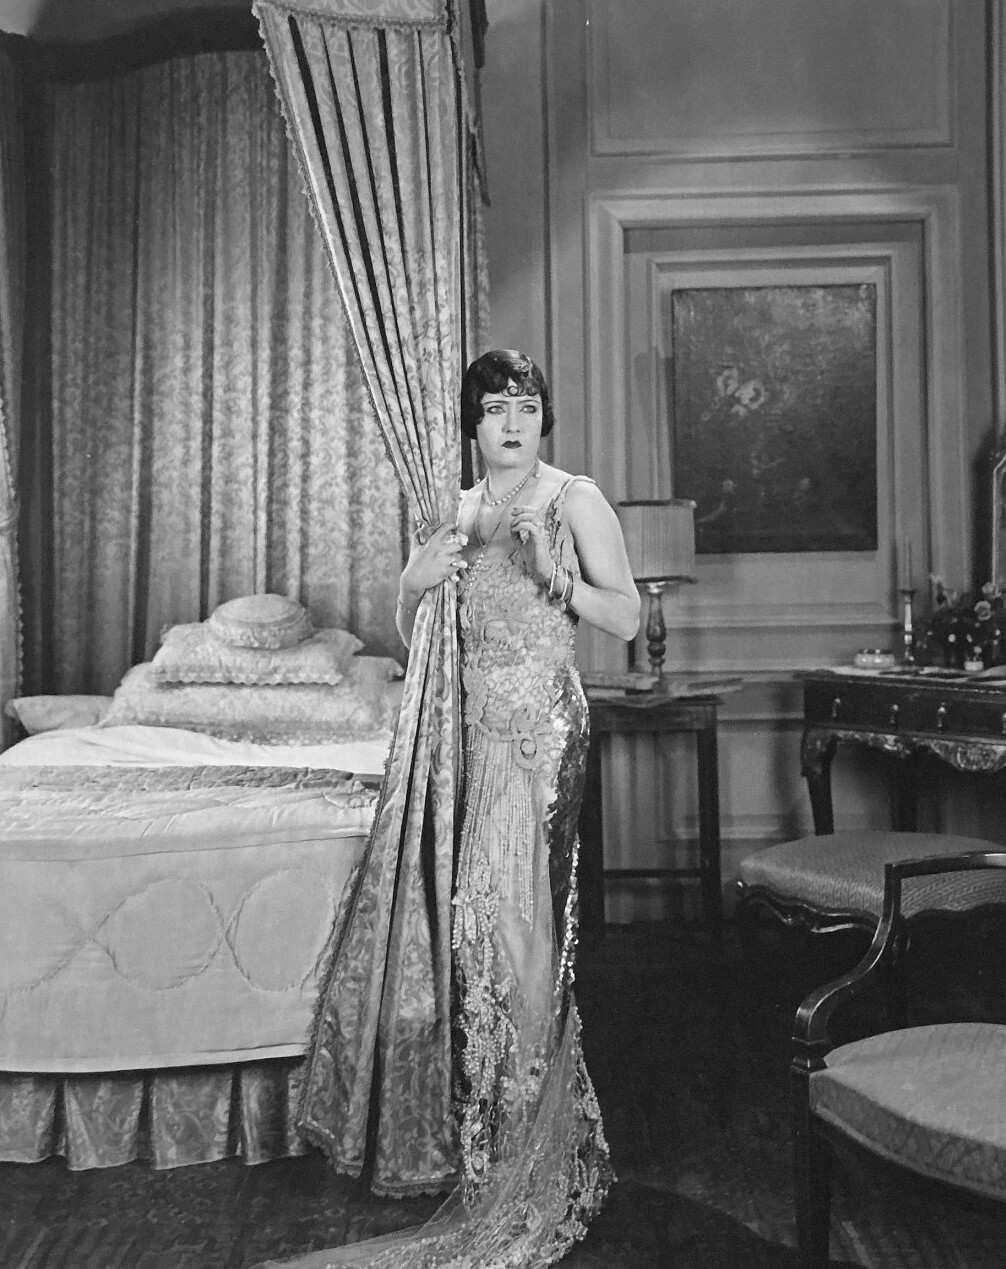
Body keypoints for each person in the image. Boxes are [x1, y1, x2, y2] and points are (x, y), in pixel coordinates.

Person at [260, 350, 640, 1268]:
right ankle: (496, 1131)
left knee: (520, 931)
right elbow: (419, 636)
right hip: (466, 741)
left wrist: (555, 575)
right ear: (472, 423)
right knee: (475, 928)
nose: (513, 423)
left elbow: (627, 619)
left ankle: (532, 1145)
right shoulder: (459, 510)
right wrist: (413, 582)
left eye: (528, 406)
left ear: (544, 418)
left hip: (538, 738)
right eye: (495, 408)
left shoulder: (575, 500)